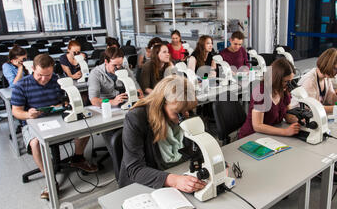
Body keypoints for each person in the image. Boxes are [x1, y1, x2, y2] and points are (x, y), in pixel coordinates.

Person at [11, 54, 97, 200]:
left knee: (84, 124)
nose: (44, 79)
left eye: (48, 75)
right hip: (33, 121)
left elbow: (64, 100)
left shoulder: (57, 80)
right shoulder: (21, 85)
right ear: (32, 69)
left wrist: (61, 105)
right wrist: (28, 114)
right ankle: (49, 179)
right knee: (35, 143)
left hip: (57, 118)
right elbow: (16, 111)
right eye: (40, 75)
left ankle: (77, 157)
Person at [118, 75, 207, 194]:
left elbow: (201, 144)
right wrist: (174, 180)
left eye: (188, 110)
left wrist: (215, 163)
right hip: (144, 183)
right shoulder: (136, 117)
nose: (186, 115)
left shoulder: (185, 110)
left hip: (178, 173)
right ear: (161, 104)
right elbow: (135, 169)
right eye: (178, 113)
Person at [296, 48, 337, 186]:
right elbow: (313, 109)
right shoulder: (310, 81)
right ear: (329, 66)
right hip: (301, 120)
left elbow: (332, 99)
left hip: (316, 117)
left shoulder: (325, 79)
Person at [88, 46, 143, 179]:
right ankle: (122, 169)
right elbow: (93, 100)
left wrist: (136, 94)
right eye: (115, 65)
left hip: (125, 106)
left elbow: (137, 88)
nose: (118, 68)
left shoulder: (124, 68)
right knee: (114, 135)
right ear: (106, 62)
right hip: (107, 109)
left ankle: (139, 162)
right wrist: (111, 101)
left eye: (120, 64)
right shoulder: (96, 73)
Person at [238, 58, 301, 139]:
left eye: (290, 81)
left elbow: (287, 115)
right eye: (286, 81)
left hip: (271, 135)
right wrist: (285, 132)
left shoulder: (284, 90)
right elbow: (257, 125)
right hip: (251, 136)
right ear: (276, 79)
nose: (289, 84)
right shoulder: (261, 91)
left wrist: (299, 120)